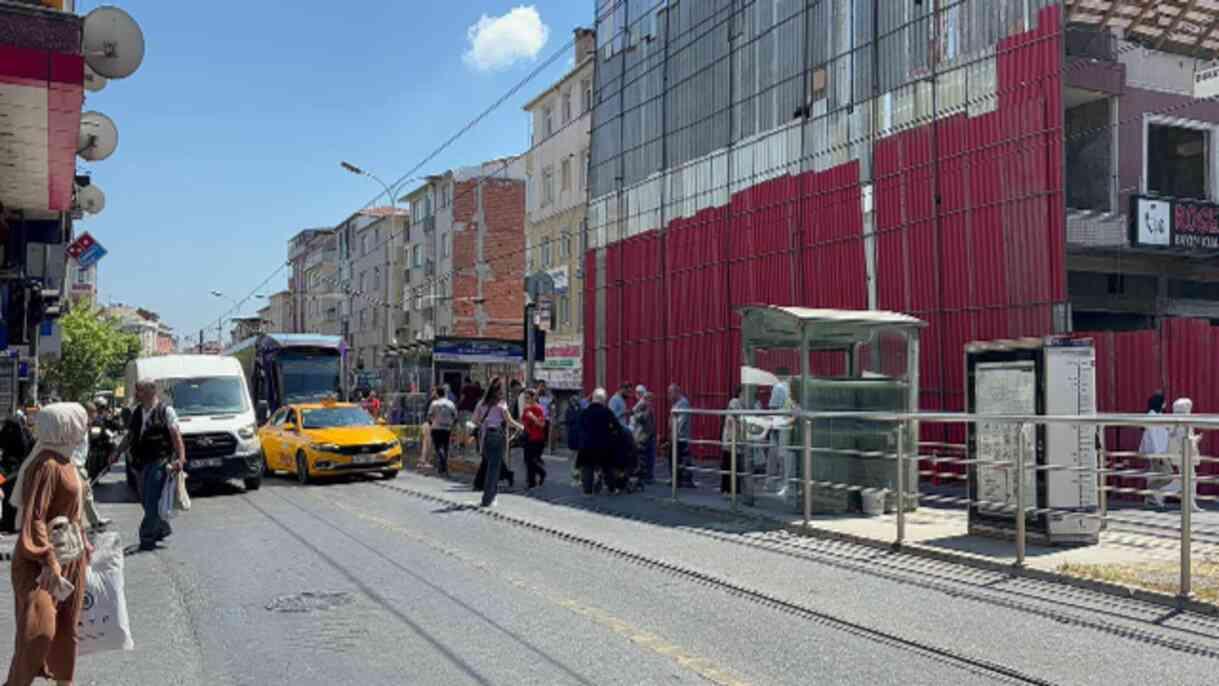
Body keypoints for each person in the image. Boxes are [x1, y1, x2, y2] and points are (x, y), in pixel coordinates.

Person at [6, 403, 92, 686]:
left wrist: (85, 542)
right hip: (42, 565)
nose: (84, 426)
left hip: (70, 555)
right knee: (37, 635)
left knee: (67, 630)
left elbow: (72, 509)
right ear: (64, 426)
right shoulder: (47, 464)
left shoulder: (67, 460)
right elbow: (35, 517)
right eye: (79, 421)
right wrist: (48, 560)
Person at [110, 380, 186, 551]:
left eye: (140, 390)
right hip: (140, 463)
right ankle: (161, 527)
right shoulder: (137, 412)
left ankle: (146, 538)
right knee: (145, 499)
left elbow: (176, 437)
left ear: (152, 391)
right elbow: (130, 436)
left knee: (151, 500)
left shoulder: (166, 411)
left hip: (160, 461)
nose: (137, 394)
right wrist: (116, 452)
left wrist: (181, 458)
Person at [472, 377, 521, 507]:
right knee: (494, 469)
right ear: (499, 391)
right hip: (497, 436)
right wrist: (520, 427)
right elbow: (509, 420)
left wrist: (485, 423)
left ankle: (491, 496)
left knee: (490, 467)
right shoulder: (501, 403)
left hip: (485, 436)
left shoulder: (481, 403)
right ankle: (487, 499)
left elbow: (475, 421)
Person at [72, 402, 109, 531]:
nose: (94, 417)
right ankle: (93, 521)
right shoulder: (79, 427)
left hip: (78, 463)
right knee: (86, 493)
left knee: (86, 493)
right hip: (75, 464)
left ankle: (94, 520)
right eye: (92, 414)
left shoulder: (85, 426)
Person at [577, 389, 617, 495]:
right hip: (603, 445)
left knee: (587, 467)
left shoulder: (585, 412)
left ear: (593, 399)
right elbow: (617, 427)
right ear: (603, 400)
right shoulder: (607, 412)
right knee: (607, 467)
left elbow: (579, 428)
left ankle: (587, 491)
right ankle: (611, 488)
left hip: (586, 445)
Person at [0, 412, 34, 534]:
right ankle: (13, 524)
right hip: (19, 471)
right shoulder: (25, 435)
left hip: (6, 470)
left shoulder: (6, 432)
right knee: (15, 498)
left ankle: (6, 523)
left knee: (6, 497)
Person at [1169, 397, 1203, 513]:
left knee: (1188, 480)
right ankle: (1190, 504)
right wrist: (1196, 439)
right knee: (1190, 480)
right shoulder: (1183, 423)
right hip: (1185, 456)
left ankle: (1190, 503)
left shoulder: (1176, 422)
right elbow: (1185, 440)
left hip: (1181, 456)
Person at [1139, 391, 1172, 511]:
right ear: (1161, 403)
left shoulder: (1159, 416)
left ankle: (1151, 498)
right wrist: (1158, 455)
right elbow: (1153, 436)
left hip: (1160, 452)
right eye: (1164, 402)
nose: (1166, 404)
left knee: (1157, 475)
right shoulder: (1152, 417)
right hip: (1157, 453)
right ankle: (1150, 494)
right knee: (1168, 476)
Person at [768, 368, 795, 498]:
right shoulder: (791, 388)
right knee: (786, 456)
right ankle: (786, 484)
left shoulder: (777, 387)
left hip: (779, 424)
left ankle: (776, 484)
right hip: (789, 424)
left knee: (777, 456)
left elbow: (773, 408)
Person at [427, 385, 457, 477]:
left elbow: (429, 415)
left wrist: (431, 423)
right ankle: (443, 468)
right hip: (447, 428)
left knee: (438, 447)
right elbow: (455, 416)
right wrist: (452, 425)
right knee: (445, 447)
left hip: (436, 427)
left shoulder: (434, 403)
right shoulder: (451, 404)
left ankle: (443, 465)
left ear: (437, 394)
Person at [669, 383, 695, 488]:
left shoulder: (683, 403)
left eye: (670, 392)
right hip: (677, 436)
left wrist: (674, 435)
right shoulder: (676, 403)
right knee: (676, 458)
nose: (669, 395)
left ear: (676, 392)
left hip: (680, 437)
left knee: (681, 458)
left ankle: (682, 481)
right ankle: (677, 480)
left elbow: (680, 422)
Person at [521, 389, 548, 488]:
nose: (526, 400)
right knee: (527, 460)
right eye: (525, 398)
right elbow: (523, 422)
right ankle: (531, 482)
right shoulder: (526, 409)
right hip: (528, 437)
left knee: (532, 460)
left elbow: (542, 424)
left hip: (537, 438)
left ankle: (541, 473)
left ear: (533, 397)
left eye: (528, 398)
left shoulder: (539, 409)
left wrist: (533, 417)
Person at [721, 391, 744, 494]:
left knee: (731, 465)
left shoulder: (737, 403)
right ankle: (730, 489)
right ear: (740, 393)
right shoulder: (735, 402)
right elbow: (734, 419)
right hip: (732, 439)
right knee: (731, 465)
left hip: (733, 439)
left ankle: (730, 489)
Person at [632, 388, 657, 484]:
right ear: (646, 398)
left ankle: (649, 476)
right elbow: (637, 418)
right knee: (642, 458)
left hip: (649, 435)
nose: (651, 401)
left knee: (650, 457)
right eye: (650, 399)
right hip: (642, 436)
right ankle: (642, 478)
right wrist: (646, 411)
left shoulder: (648, 406)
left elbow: (651, 422)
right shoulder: (641, 405)